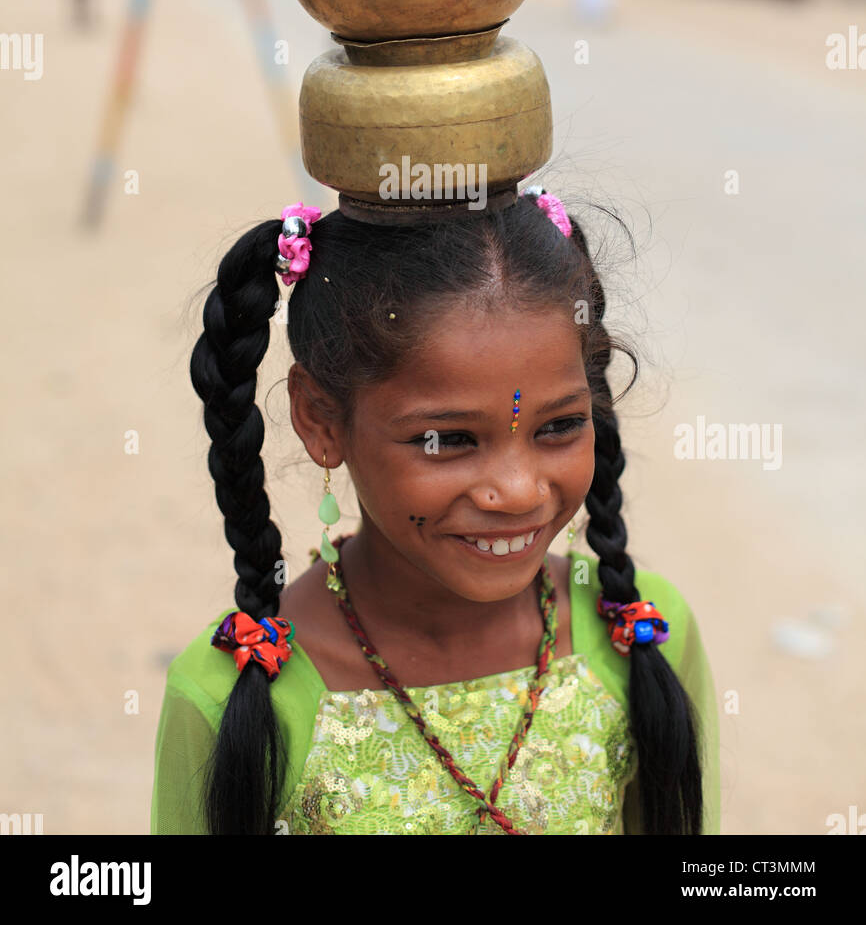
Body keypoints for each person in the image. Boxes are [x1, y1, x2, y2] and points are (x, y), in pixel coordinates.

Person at [151, 189, 720, 835]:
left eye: (559, 426)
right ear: (319, 419)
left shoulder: (647, 639)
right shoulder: (231, 694)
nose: (518, 490)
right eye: (447, 441)